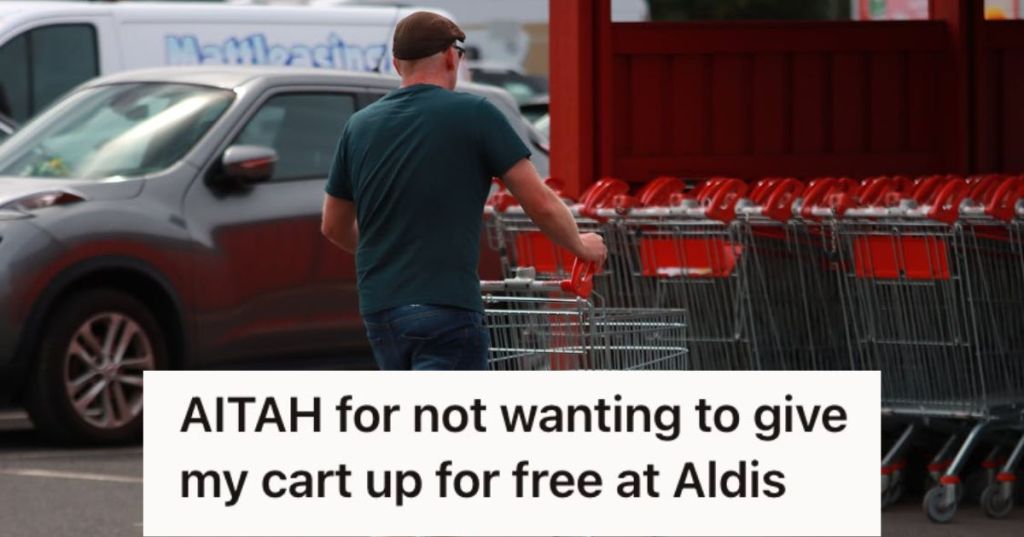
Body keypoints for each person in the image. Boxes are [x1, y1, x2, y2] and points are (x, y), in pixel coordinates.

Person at [321, 11, 606, 371]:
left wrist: (389, 250)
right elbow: (541, 203)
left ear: (396, 64)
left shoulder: (358, 126)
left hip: (382, 310)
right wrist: (582, 245)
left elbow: (333, 225)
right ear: (450, 56)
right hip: (446, 307)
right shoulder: (476, 114)